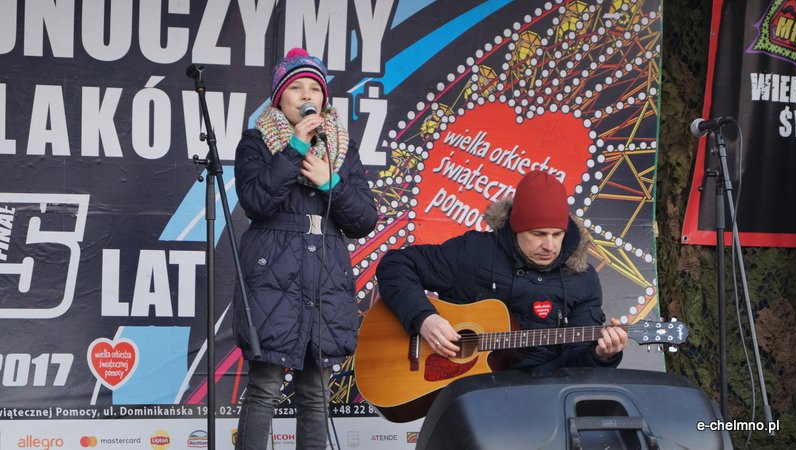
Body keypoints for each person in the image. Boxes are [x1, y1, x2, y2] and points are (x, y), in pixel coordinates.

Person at [233, 48, 378, 450]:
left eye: (314, 88)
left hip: (324, 277)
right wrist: (295, 147)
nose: (306, 95)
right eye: (296, 88)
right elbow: (256, 202)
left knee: (315, 393)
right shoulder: (256, 142)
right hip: (274, 277)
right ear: (279, 97)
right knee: (264, 387)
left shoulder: (341, 148)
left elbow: (364, 219)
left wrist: (332, 182)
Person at [376, 171, 627, 373]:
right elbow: (396, 264)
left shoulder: (582, 278)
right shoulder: (474, 252)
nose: (550, 245)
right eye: (538, 234)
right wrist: (423, 318)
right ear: (516, 228)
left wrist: (601, 355)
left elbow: (576, 362)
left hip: (544, 394)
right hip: (470, 393)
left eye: (557, 234)